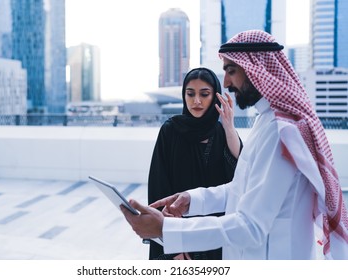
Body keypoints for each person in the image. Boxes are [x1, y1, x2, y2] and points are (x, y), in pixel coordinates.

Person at [121, 30, 348, 260]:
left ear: (256, 69)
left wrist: (166, 230)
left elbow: (251, 226)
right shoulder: (265, 121)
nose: (227, 83)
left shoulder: (282, 132)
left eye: (231, 71)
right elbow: (241, 188)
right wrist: (192, 199)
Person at [147, 67, 242, 260]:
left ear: (214, 97)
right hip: (177, 235)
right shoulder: (170, 130)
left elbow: (240, 175)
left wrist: (229, 127)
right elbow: (159, 187)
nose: (196, 101)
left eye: (204, 94)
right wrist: (174, 247)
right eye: (190, 94)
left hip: (214, 233)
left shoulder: (221, 131)